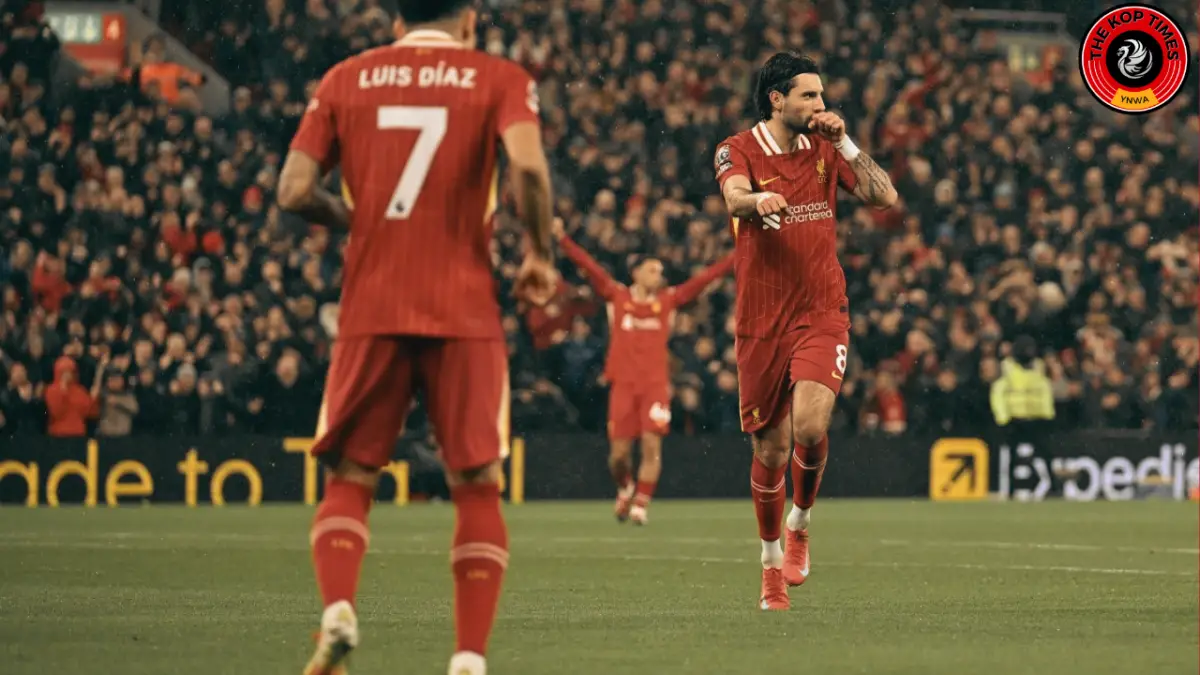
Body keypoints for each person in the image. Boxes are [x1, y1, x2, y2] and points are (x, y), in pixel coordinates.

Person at [277, 0, 557, 672]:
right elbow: (529, 169)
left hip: (373, 303)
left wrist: (360, 219)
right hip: (462, 308)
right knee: (477, 483)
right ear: (468, 21)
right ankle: (466, 657)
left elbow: (291, 190)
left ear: (397, 23)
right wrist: (540, 254)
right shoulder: (498, 77)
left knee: (351, 477)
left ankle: (339, 609)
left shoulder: (345, 77)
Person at [713, 52, 897, 611]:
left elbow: (885, 196)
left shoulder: (825, 149)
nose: (821, 105)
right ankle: (770, 567)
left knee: (811, 424)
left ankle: (801, 523)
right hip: (762, 320)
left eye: (822, 96)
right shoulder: (737, 147)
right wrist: (756, 201)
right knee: (770, 450)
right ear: (777, 98)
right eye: (810, 96)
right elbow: (733, 195)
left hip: (822, 309)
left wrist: (845, 143)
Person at [553, 218, 734, 525]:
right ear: (635, 273)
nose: (658, 275)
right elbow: (590, 268)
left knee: (652, 446)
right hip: (622, 385)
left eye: (661, 271)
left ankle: (641, 503)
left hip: (654, 385)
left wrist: (739, 253)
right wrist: (562, 240)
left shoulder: (668, 301)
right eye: (652, 270)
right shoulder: (617, 297)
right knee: (619, 456)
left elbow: (705, 279)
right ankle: (625, 486)